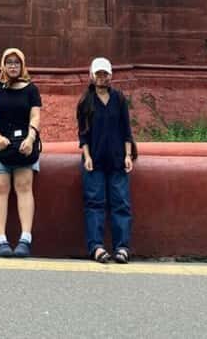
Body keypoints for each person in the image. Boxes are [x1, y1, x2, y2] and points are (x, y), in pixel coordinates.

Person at [0, 47, 41, 257]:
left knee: (24, 185)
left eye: (16, 62)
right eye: (9, 62)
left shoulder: (31, 89)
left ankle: (25, 238)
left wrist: (31, 138)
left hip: (24, 142)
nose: (13, 66)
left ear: (22, 65)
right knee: (0, 186)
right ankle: (1, 240)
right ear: (3, 65)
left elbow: (35, 116)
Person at [77, 56, 134, 264]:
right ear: (92, 75)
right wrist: (87, 156)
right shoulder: (85, 101)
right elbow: (82, 133)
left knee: (121, 203)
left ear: (111, 76)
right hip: (95, 159)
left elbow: (126, 129)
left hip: (117, 158)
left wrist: (128, 155)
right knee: (95, 203)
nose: (102, 78)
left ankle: (122, 247)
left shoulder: (118, 99)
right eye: (98, 74)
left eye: (105, 74)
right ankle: (96, 246)